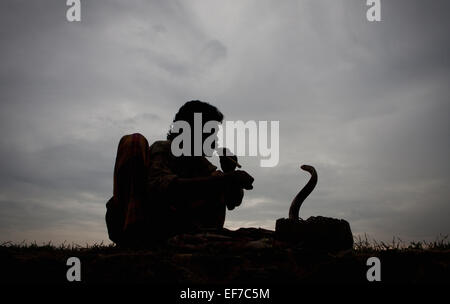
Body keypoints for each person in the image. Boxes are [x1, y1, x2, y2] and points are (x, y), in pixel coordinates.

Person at [106, 100, 254, 247]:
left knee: (215, 182)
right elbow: (161, 188)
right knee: (133, 141)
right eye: (211, 133)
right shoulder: (164, 149)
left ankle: (185, 236)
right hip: (146, 223)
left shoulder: (202, 165)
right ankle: (134, 233)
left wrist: (230, 172)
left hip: (175, 229)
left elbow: (233, 201)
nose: (215, 141)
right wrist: (226, 180)